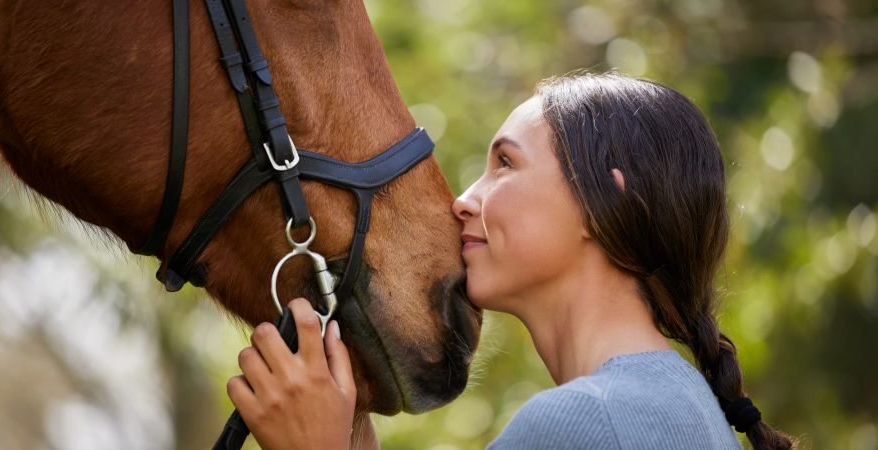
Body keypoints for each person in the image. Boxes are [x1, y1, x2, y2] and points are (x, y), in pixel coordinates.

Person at [225, 72, 796, 449]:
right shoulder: (680, 407)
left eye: (505, 163)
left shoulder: (583, 423)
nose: (463, 199)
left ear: (605, 204)